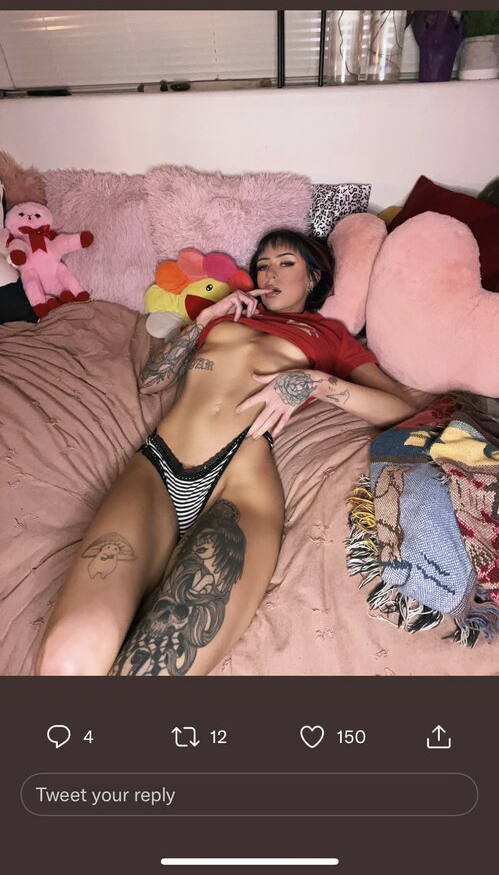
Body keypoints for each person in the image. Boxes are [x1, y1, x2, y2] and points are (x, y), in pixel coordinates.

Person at [35, 228, 429, 677]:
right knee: (67, 657)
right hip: (157, 465)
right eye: (262, 265)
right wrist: (204, 320)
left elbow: (403, 409)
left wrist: (316, 383)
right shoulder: (226, 319)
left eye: (286, 263)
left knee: (155, 670)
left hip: (238, 479)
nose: (270, 273)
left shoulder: (329, 335)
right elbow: (152, 382)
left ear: (313, 277)